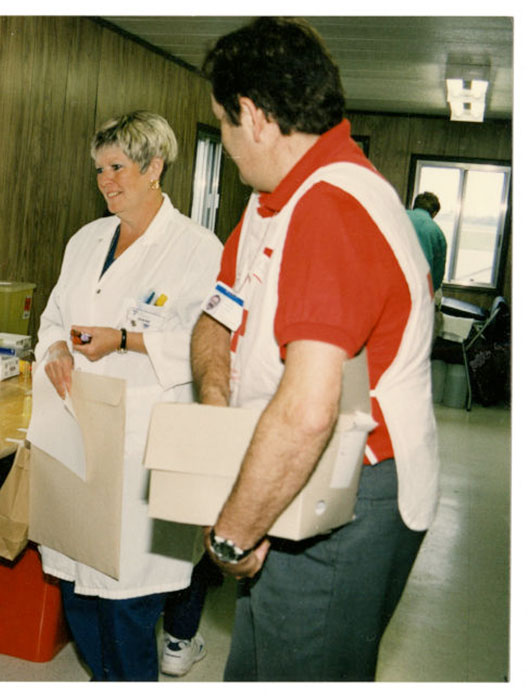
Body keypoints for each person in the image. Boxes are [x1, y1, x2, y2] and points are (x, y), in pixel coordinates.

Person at [192, 18, 440, 681]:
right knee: (255, 669)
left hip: (347, 488)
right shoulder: (272, 202)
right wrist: (217, 416)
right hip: (288, 467)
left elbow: (308, 412)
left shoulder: (333, 206)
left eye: (222, 121)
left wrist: (233, 532)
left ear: (253, 115)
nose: (225, 140)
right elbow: (215, 321)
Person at [35, 110, 222, 680]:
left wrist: (127, 339)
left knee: (131, 603)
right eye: (99, 170)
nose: (106, 182)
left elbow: (209, 344)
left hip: (147, 436)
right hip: (78, 429)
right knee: (76, 589)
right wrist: (56, 352)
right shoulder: (86, 240)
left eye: (117, 167)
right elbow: (53, 318)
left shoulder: (196, 247)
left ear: (154, 167)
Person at [407, 191, 448, 293]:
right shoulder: (437, 233)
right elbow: (437, 274)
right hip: (418, 290)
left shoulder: (394, 217)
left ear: (414, 206)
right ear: (434, 213)